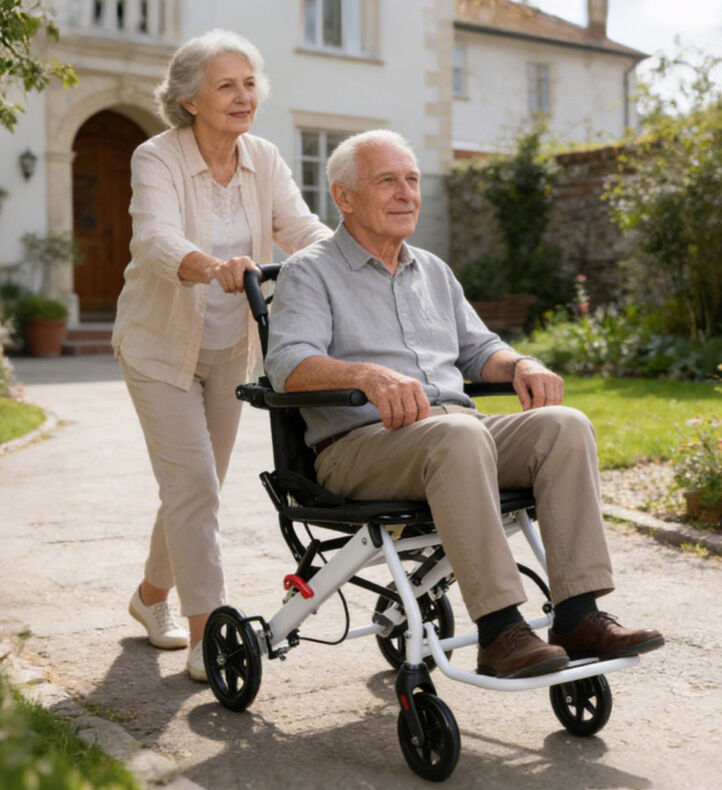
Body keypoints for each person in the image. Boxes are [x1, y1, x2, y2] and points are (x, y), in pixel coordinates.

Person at [265, 130, 664, 679]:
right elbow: (286, 363)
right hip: (360, 447)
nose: (406, 193)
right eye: (387, 181)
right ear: (344, 197)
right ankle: (501, 630)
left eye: (412, 180)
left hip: (457, 435)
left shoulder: (433, 270)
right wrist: (365, 374)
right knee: (459, 435)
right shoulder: (308, 271)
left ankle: (578, 615)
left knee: (564, 426)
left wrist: (521, 365)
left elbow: (480, 350)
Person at [112, 29, 330, 681]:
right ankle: (211, 634)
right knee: (195, 487)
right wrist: (212, 267)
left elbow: (302, 229)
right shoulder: (157, 157)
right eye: (226, 85)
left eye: (250, 83)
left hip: (231, 349)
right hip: (158, 348)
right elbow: (154, 238)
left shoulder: (264, 156)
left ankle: (151, 598)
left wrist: (347, 264)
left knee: (193, 489)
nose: (244, 96)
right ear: (189, 100)